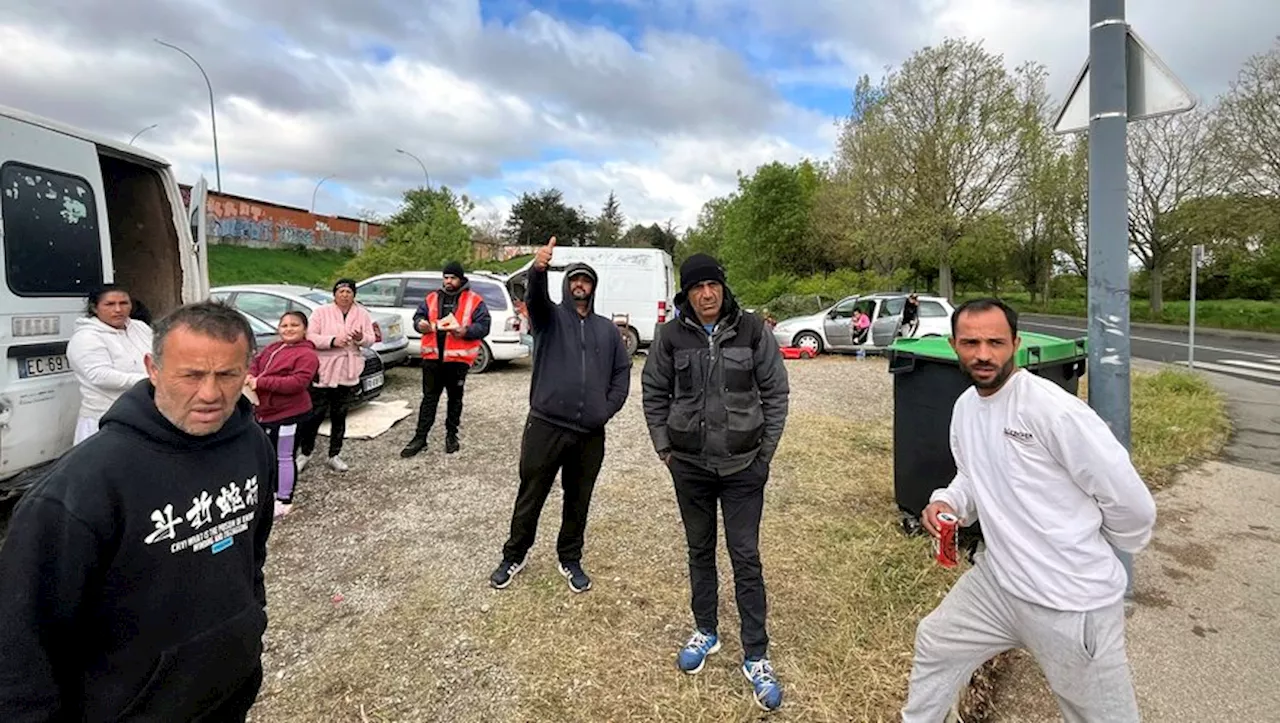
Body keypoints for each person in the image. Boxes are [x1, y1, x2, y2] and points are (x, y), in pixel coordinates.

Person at [0, 301, 276, 722]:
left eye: (227, 374)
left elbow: (251, 550)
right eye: (192, 375)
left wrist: (250, 619)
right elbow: (22, 643)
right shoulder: (80, 489)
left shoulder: (250, 442)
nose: (210, 393)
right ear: (152, 368)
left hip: (228, 691)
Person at [901, 297, 1157, 723]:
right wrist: (948, 502)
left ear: (1016, 343)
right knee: (936, 641)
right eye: (971, 342)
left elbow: (1131, 502)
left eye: (995, 342)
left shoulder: (1052, 410)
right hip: (997, 584)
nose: (983, 354)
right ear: (953, 345)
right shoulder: (966, 408)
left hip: (1069, 603)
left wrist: (1097, 545)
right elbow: (972, 476)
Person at [640, 253, 790, 712]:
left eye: (713, 286)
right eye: (697, 288)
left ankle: (756, 655)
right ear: (685, 294)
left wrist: (763, 456)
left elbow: (777, 393)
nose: (707, 294)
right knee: (699, 550)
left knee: (746, 557)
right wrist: (665, 448)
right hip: (690, 467)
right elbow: (653, 392)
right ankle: (706, 631)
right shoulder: (669, 335)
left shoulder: (752, 330)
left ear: (723, 288)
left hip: (744, 468)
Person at [490, 236, 631, 594]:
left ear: (593, 287)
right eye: (573, 280)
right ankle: (514, 555)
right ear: (566, 286)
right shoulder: (549, 318)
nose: (579, 285)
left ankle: (570, 558)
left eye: (585, 280)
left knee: (578, 498)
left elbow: (621, 372)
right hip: (546, 425)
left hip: (589, 433)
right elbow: (535, 298)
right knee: (531, 493)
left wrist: (606, 408)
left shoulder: (606, 330)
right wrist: (538, 269)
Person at [401, 261, 492, 457]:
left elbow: (484, 326)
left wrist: (466, 331)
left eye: (453, 278)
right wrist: (420, 324)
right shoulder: (432, 297)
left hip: (457, 361)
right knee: (429, 400)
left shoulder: (474, 300)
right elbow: (418, 317)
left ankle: (452, 436)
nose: (449, 281)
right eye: (446, 277)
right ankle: (420, 438)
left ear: (461, 279)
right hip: (432, 358)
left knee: (455, 400)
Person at [296, 278, 376, 473]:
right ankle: (305, 453)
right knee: (315, 414)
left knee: (340, 414)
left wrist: (360, 338)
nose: (345, 295)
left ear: (354, 295)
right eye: (341, 291)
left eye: (349, 292)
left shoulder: (362, 314)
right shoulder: (321, 312)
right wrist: (332, 340)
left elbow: (371, 339)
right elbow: (311, 336)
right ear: (334, 294)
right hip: (324, 368)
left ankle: (335, 454)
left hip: (347, 369)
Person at [247, 311, 320, 518]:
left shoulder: (307, 355)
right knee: (267, 454)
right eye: (284, 325)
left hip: (290, 414)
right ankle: (269, 493)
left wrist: (261, 382)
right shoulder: (272, 347)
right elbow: (256, 362)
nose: (288, 329)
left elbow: (297, 383)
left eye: (294, 325)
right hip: (265, 411)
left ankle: (284, 499)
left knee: (284, 456)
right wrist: (250, 374)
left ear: (305, 329)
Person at [67, 284, 155, 444]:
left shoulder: (139, 328)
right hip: (105, 418)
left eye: (124, 303)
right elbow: (100, 376)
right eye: (109, 304)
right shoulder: (86, 337)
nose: (118, 309)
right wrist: (151, 380)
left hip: (143, 413)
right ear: (94, 308)